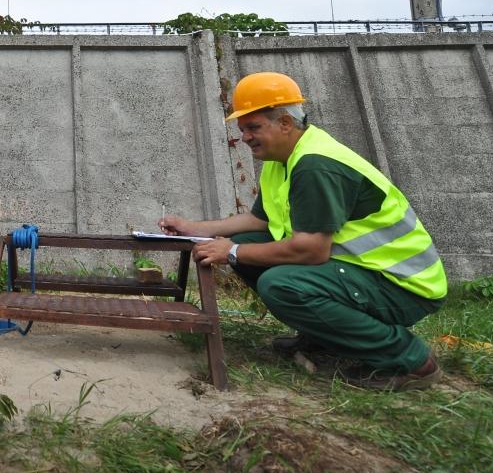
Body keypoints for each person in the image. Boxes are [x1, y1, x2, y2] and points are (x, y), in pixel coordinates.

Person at [159, 71, 446, 391]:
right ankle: (325, 336)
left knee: (279, 283)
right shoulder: (283, 159)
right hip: (365, 272)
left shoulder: (315, 165)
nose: (246, 137)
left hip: (402, 287)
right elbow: (261, 222)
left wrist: (232, 252)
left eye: (254, 127)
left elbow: (311, 250)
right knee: (247, 246)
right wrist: (193, 228)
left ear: (284, 122)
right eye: (243, 129)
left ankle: (411, 360)